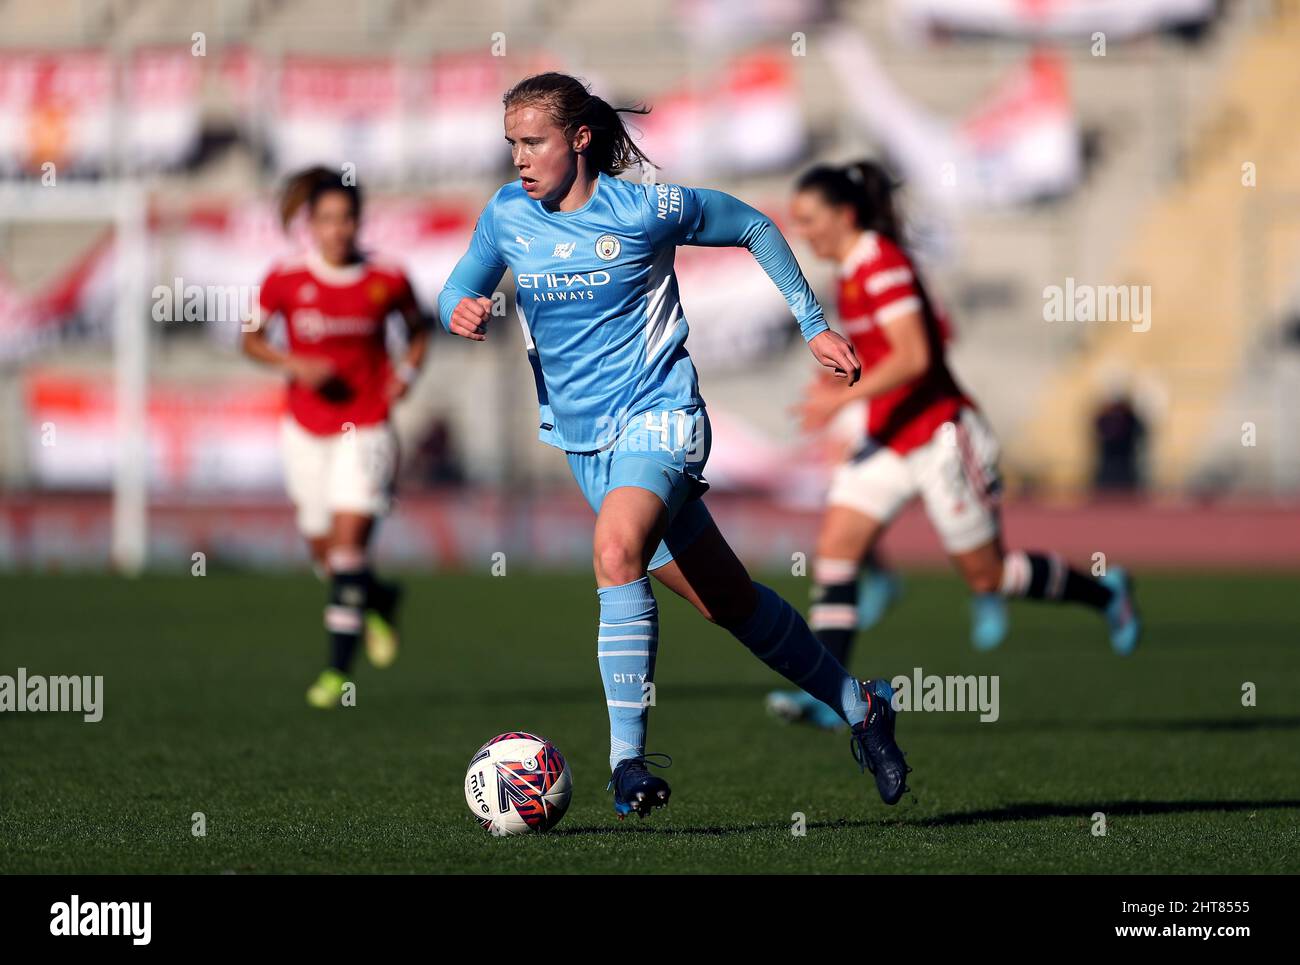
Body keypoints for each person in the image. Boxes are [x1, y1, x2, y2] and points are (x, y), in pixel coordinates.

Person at [438, 73, 910, 819]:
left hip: (661, 416)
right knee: (730, 604)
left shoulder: (645, 209)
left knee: (615, 550)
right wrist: (457, 308)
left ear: (580, 139)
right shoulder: (506, 217)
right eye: (512, 145)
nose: (519, 159)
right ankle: (863, 706)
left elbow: (752, 223)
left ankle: (626, 763)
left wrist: (813, 322)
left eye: (534, 142)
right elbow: (457, 287)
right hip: (585, 443)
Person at [769, 160, 1140, 727]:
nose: (803, 232)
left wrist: (842, 401)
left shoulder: (881, 264)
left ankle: (1105, 593)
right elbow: (885, 357)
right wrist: (840, 387)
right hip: (890, 437)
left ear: (844, 215)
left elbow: (915, 356)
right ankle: (834, 695)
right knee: (837, 548)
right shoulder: (851, 269)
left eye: (810, 219)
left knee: (987, 578)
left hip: (941, 435)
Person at [243, 167, 428, 708]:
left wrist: (405, 376)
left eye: (346, 219)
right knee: (325, 555)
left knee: (347, 552)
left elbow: (417, 334)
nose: (337, 229)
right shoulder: (284, 278)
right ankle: (381, 599)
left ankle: (334, 675)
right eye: (326, 219)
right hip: (304, 428)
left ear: (359, 222)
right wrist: (292, 363)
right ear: (312, 224)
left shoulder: (387, 278)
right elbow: (250, 340)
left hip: (366, 428)